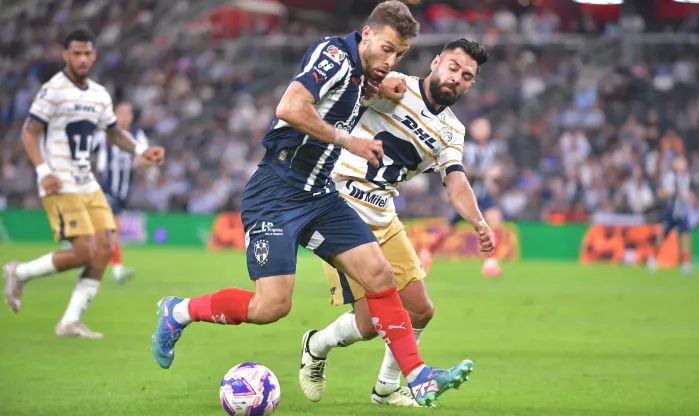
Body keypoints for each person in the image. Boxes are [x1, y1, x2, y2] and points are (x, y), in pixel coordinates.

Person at [150, 1, 472, 407]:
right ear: (367, 34)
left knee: (379, 272)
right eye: (387, 49)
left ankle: (417, 375)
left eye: (400, 55)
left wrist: (379, 82)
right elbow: (289, 107)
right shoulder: (334, 55)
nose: (391, 60)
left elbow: (363, 91)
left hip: (319, 195)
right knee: (271, 306)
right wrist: (347, 140)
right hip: (276, 193)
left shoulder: (364, 74)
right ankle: (178, 312)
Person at [299, 39, 493, 407]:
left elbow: (455, 180)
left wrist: (478, 221)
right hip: (341, 209)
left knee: (421, 309)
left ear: (470, 85)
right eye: (453, 67)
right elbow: (347, 85)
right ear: (436, 63)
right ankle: (315, 345)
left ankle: (387, 387)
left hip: (384, 216)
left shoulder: (452, 131)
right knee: (371, 324)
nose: (456, 78)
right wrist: (373, 83)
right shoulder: (395, 85)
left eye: (467, 76)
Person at [2, 28, 165, 338]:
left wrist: (143, 150)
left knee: (104, 249)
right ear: (66, 55)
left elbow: (115, 132)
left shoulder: (99, 95)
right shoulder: (53, 90)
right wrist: (42, 172)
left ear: (94, 54)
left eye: (87, 53)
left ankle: (70, 321)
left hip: (87, 183)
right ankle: (19, 273)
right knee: (84, 251)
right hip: (59, 183)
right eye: (76, 53)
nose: (82, 58)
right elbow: (29, 131)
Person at [418, 116, 504, 276]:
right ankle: (427, 251)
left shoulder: (490, 148)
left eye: (486, 126)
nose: (484, 129)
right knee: (448, 228)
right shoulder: (469, 147)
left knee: (495, 221)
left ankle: (491, 263)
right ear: (473, 130)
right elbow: (464, 169)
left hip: (483, 195)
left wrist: (493, 179)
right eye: (480, 126)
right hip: (465, 195)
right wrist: (486, 174)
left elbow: (491, 172)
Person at [95, 101, 152, 283]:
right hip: (106, 187)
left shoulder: (137, 134)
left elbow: (146, 157)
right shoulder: (104, 134)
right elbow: (89, 153)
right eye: (121, 112)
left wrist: (143, 161)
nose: (125, 116)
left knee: (110, 231)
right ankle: (116, 269)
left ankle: (102, 264)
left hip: (124, 191)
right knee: (113, 229)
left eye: (128, 112)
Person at [648, 155, 693, 275]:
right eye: (680, 162)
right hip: (671, 211)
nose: (683, 164)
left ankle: (686, 264)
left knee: (685, 236)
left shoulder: (687, 177)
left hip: (682, 210)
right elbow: (661, 192)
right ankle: (652, 258)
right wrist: (672, 193)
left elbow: (686, 194)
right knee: (662, 236)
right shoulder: (670, 177)